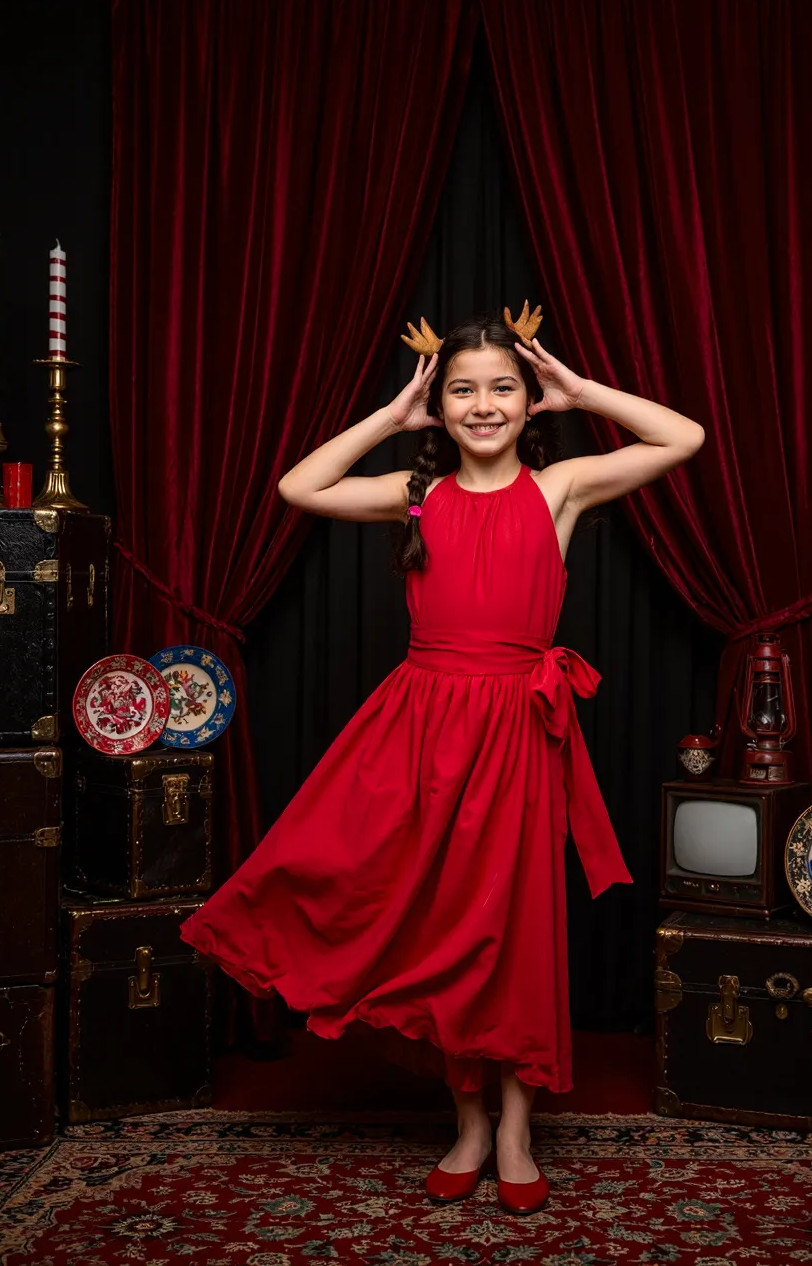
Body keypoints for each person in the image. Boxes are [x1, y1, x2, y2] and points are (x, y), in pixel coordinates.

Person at [180, 306, 704, 1214]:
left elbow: (684, 435)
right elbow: (298, 488)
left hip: (519, 733)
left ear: (527, 400)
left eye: (503, 387)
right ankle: (466, 1123)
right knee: (441, 926)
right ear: (442, 404)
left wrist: (578, 392)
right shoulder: (415, 493)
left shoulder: (560, 487)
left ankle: (515, 1129)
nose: (484, 404)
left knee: (514, 930)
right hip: (422, 732)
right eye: (463, 389)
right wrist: (393, 417)